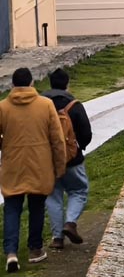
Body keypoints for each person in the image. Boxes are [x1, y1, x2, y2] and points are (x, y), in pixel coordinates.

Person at [0, 67, 66, 271]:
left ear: (13, 85)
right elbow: (57, 139)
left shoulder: (3, 107)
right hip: (40, 164)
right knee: (37, 206)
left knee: (12, 208)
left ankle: (11, 252)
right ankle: (35, 249)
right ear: (32, 84)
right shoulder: (46, 105)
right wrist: (59, 165)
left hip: (13, 164)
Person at [42, 68, 92, 251]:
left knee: (53, 196)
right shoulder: (74, 105)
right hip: (71, 159)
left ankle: (57, 238)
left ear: (50, 83)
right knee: (79, 190)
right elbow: (86, 133)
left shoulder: (40, 105)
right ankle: (70, 223)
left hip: (47, 159)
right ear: (67, 83)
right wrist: (79, 147)